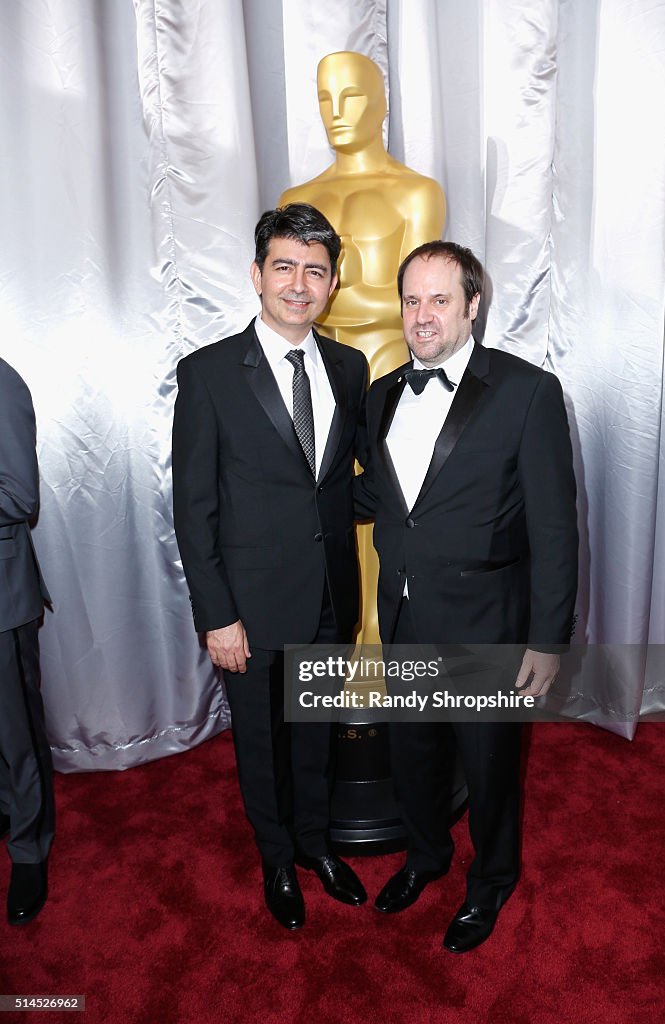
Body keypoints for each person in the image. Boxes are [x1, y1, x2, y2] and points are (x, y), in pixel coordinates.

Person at [354, 241, 578, 952]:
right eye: (412, 299)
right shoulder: (381, 392)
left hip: (489, 623)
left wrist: (547, 639)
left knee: (489, 767)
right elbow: (382, 498)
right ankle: (426, 857)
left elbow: (555, 527)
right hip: (406, 613)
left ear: (473, 305)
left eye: (439, 299)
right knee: (414, 754)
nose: (422, 315)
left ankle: (492, 881)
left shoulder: (527, 392)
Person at [172, 203, 369, 930]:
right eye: (284, 266)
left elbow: (344, 481)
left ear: (333, 283)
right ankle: (277, 859)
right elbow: (193, 509)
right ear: (257, 275)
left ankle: (316, 845)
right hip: (248, 610)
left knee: (315, 733)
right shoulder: (209, 373)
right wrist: (215, 613)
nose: (298, 283)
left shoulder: (350, 368)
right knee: (261, 741)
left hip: (327, 597)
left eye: (314, 270)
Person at [280, 49, 446, 646]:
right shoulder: (296, 197)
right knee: (324, 501)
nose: (337, 112)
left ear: (380, 102)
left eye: (351, 97)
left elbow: (423, 298)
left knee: (390, 497)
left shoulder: (415, 191)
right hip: (314, 368)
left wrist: (323, 301)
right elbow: (290, 297)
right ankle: (338, 628)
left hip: (387, 364)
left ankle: (379, 631)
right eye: (325, 98)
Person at [0, 357, 54, 926]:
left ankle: (31, 850)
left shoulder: (2, 382)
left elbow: (18, 497)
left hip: (2, 601)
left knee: (18, 739)